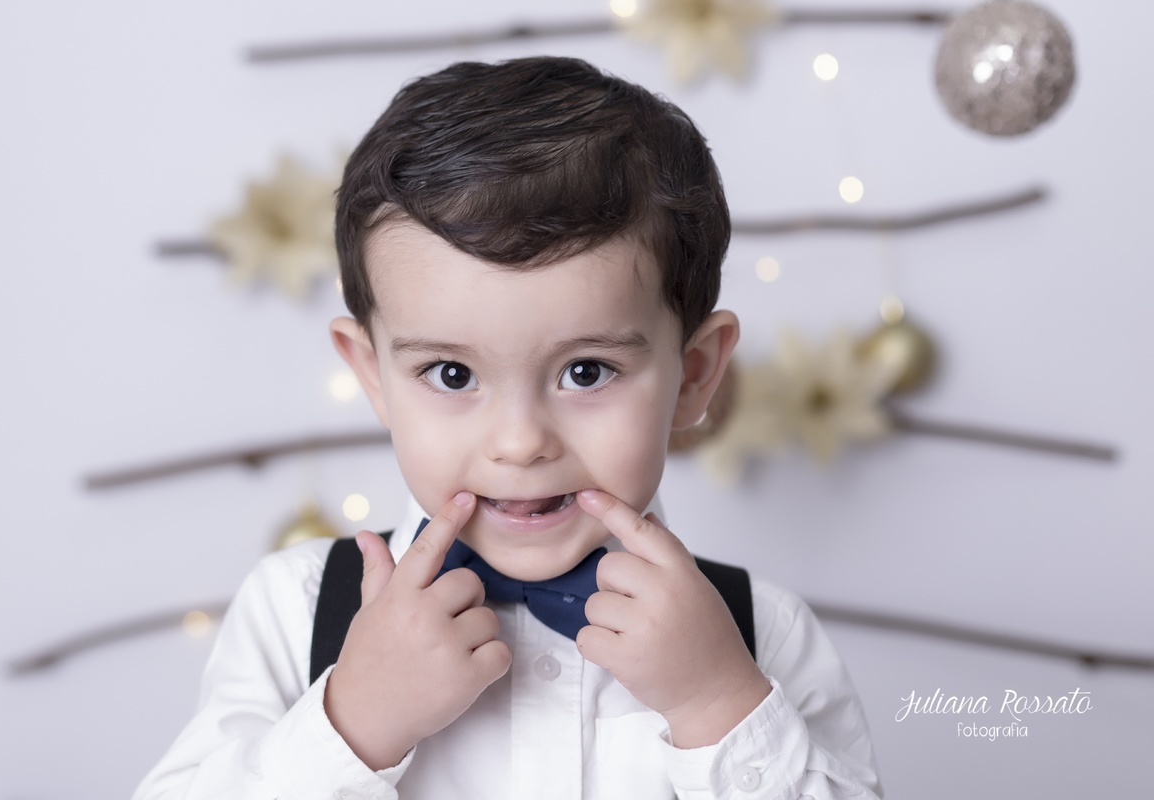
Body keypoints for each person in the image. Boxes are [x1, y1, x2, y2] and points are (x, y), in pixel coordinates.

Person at [135, 56, 883, 799]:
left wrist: (718, 708)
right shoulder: (294, 611)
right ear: (373, 377)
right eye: (453, 375)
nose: (521, 442)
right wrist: (352, 725)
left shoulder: (764, 635)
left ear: (693, 376)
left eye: (586, 371)